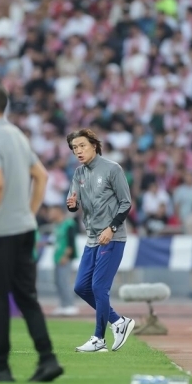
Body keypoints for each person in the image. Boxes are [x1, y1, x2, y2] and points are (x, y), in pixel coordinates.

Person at [0, 83, 63, 383]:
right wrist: (28, 213)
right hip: (24, 228)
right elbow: (41, 176)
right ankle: (47, 359)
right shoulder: (17, 135)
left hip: (2, 232)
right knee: (26, 297)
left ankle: (0, 365)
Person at [66, 128, 136, 353]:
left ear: (94, 145)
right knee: (81, 287)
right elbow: (73, 202)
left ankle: (99, 339)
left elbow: (126, 203)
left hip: (112, 237)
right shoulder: (78, 174)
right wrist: (72, 204)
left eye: (82, 146)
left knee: (98, 287)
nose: (78, 151)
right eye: (75, 148)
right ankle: (118, 322)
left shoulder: (112, 169)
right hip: (92, 237)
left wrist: (112, 227)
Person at [48, 204, 79, 316]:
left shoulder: (69, 224)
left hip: (65, 258)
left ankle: (70, 305)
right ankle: (63, 305)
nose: (50, 214)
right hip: (57, 257)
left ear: (59, 212)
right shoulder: (56, 225)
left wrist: (66, 256)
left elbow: (71, 243)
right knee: (58, 282)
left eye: (52, 211)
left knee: (64, 281)